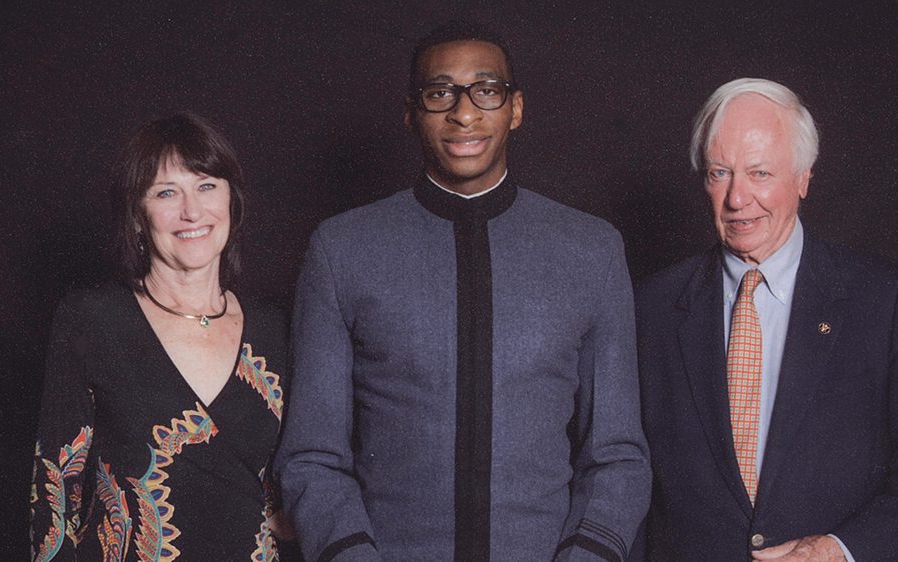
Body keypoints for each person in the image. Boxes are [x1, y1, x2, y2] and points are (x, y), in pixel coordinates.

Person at [275, 21, 650, 562]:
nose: (465, 112)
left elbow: (618, 457)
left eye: (487, 91)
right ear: (411, 112)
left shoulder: (591, 250)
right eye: (439, 92)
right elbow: (312, 456)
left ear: (515, 109)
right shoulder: (343, 249)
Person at [633, 78, 898, 561]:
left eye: (760, 173)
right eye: (720, 173)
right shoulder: (650, 308)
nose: (738, 198)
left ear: (804, 176)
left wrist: (840, 550)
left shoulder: (880, 299)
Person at [30, 113, 292, 561]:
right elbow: (55, 491)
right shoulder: (92, 318)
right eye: (167, 192)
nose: (192, 211)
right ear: (137, 214)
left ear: (233, 200)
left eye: (207, 186)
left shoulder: (273, 328)